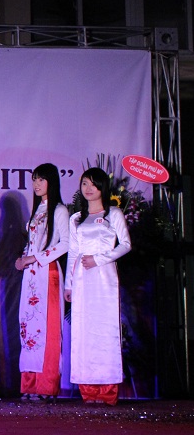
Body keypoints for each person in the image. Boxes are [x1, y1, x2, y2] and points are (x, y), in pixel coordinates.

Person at [65, 167, 131, 406]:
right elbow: (73, 252)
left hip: (104, 278)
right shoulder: (75, 218)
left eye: (93, 184)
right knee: (83, 331)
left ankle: (107, 389)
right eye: (84, 183)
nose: (88, 188)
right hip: (82, 279)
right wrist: (69, 285)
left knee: (104, 330)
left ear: (103, 186)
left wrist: (99, 259)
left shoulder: (114, 213)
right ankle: (88, 389)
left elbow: (125, 244)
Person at [15, 163, 69, 401]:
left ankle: (46, 385)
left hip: (48, 273)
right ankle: (30, 384)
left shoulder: (59, 210)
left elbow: (66, 243)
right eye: (34, 180)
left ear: (52, 182)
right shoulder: (37, 209)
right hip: (31, 275)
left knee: (47, 328)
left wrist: (35, 258)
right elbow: (33, 243)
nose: (36, 184)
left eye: (41, 179)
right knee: (28, 327)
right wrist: (23, 259)